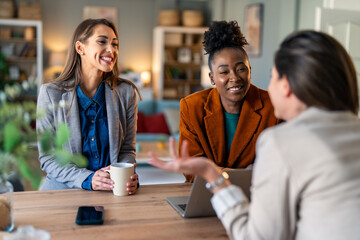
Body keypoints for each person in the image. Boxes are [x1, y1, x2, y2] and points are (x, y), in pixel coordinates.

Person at [149, 30, 360, 239]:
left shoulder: (280, 142)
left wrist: (213, 174)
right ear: (212, 77)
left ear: (285, 86)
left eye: (272, 77)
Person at [37, 19, 139, 194]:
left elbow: (127, 149)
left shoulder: (126, 93)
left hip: (112, 192)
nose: (111, 50)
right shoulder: (50, 94)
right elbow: (48, 158)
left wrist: (126, 174)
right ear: (80, 48)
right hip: (63, 194)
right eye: (102, 41)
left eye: (115, 44)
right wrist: (87, 179)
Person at [179, 21, 279, 182]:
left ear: (250, 70)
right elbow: (191, 168)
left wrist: (215, 171)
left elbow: (281, 164)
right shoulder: (192, 107)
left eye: (241, 69)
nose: (234, 78)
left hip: (259, 193)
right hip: (207, 193)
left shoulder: (273, 105)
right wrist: (243, 174)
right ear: (212, 78)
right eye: (224, 72)